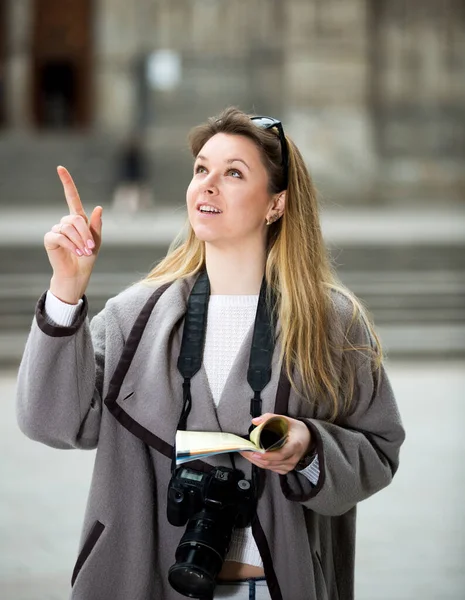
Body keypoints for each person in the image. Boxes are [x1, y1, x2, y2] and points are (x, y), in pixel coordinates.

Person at [16, 107, 405, 600]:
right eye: (201, 169)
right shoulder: (133, 318)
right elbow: (49, 422)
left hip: (276, 586)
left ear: (276, 204)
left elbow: (379, 450)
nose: (208, 184)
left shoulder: (331, 323)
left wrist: (307, 449)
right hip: (143, 582)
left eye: (233, 173)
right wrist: (65, 291)